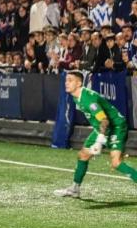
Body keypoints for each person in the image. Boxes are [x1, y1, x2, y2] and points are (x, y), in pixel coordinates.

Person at [54, 70, 137, 198]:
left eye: (70, 80)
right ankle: (75, 189)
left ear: (79, 83)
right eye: (66, 80)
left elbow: (105, 120)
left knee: (116, 162)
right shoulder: (76, 96)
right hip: (102, 128)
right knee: (83, 155)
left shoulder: (87, 98)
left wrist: (99, 141)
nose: (66, 83)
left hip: (116, 126)